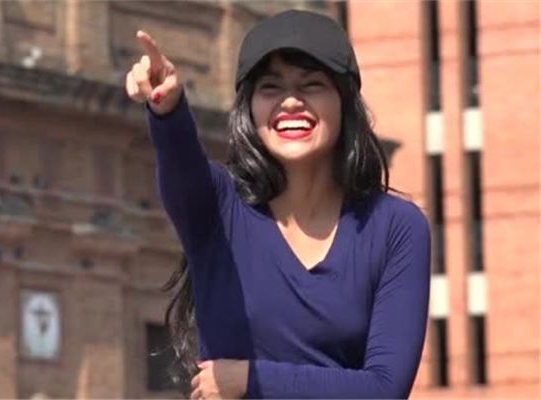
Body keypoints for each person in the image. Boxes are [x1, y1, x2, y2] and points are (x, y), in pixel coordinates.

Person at [126, 9, 431, 400]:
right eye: (270, 87)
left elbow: (384, 389)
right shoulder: (217, 208)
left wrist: (248, 379)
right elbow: (179, 158)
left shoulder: (395, 228)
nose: (290, 101)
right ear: (249, 108)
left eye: (312, 85)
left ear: (344, 102)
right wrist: (167, 108)